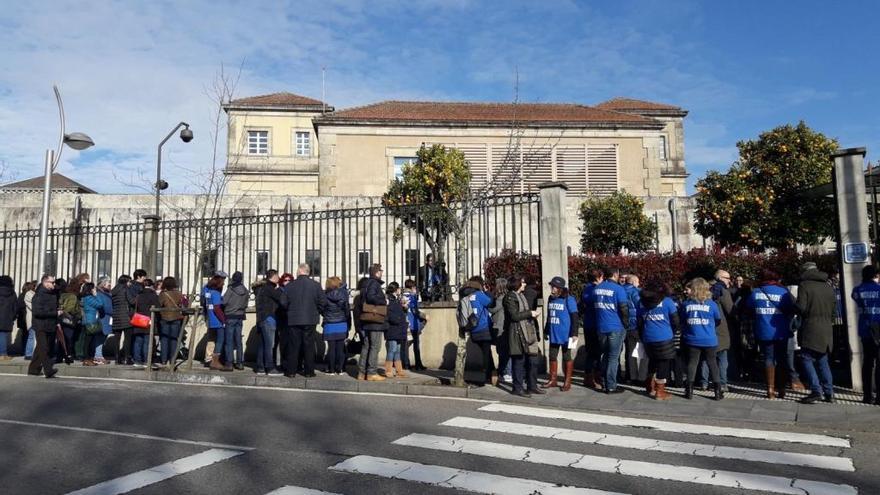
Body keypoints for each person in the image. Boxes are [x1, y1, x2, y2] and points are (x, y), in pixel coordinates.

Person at [747, 269, 797, 399]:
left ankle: (770, 390)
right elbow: (792, 308)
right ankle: (781, 389)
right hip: (781, 331)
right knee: (782, 359)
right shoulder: (783, 292)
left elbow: (748, 309)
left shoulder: (755, 293)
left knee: (768, 358)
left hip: (763, 330)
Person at [796, 263, 836, 404]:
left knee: (806, 358)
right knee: (823, 360)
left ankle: (815, 390)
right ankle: (829, 393)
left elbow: (801, 307)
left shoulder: (804, 285)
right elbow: (834, 309)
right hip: (827, 329)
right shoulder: (828, 286)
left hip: (811, 328)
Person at [281, 263, 327, 378]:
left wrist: (289, 310)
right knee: (309, 345)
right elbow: (323, 302)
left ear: (299, 271)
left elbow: (283, 302)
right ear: (308, 272)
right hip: (310, 319)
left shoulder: (290, 286)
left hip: (294, 319)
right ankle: (309, 371)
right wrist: (317, 311)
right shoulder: (316, 285)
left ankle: (291, 371)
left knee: (293, 345)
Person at [681, 277, 723, 400]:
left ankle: (689, 391)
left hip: (692, 338)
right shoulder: (712, 304)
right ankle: (717, 391)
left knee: (692, 363)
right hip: (709, 338)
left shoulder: (686, 304)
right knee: (712, 363)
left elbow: (683, 320)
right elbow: (718, 320)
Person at [589, 266, 630, 394]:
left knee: (605, 356)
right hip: (615, 327)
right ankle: (611, 385)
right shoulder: (619, 289)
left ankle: (605, 382)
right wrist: (626, 324)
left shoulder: (596, 289)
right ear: (615, 274)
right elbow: (624, 309)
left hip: (601, 327)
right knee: (613, 357)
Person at [638, 280, 679, 400]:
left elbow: (639, 322)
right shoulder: (667, 302)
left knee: (652, 361)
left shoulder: (640, 303)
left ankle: (649, 386)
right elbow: (676, 321)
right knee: (663, 364)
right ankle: (660, 391)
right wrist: (672, 332)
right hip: (664, 337)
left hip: (647, 337)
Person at [504, 275, 542, 397]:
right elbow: (514, 316)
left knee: (532, 360)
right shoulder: (510, 297)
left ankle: (532, 386)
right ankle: (518, 388)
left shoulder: (521, 296)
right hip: (517, 332)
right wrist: (530, 313)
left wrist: (531, 315)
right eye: (523, 282)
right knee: (518, 361)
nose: (524, 284)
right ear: (517, 284)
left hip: (527, 330)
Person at [699, 270, 734, 392]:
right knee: (722, 357)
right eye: (727, 278)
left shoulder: (703, 289)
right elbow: (730, 310)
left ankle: (704, 383)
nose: (729, 280)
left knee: (705, 356)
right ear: (719, 278)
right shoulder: (723, 291)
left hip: (704, 326)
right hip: (720, 327)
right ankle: (722, 383)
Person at [543, 276, 579, 392]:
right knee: (552, 356)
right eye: (551, 286)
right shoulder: (551, 298)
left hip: (566, 334)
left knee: (566, 356)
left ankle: (567, 381)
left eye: (554, 287)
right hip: (554, 332)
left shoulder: (569, 299)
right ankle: (552, 380)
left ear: (560, 288)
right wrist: (546, 330)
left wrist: (574, 334)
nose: (552, 289)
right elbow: (549, 315)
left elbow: (574, 317)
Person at [852, 265, 880, 404]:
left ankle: (867, 396)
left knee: (867, 363)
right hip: (879, 331)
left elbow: (854, 296)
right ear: (875, 275)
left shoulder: (857, 290)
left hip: (865, 330)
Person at [459, 276, 494, 385]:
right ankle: (488, 376)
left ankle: (491, 374)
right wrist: (487, 291)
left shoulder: (465, 296)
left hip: (473, 330)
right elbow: (491, 303)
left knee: (486, 353)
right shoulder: (479, 295)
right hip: (484, 328)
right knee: (486, 354)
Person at [358, 264, 388, 381]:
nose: (382, 272)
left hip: (366, 319)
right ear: (376, 272)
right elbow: (371, 297)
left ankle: (361, 373)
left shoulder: (366, 284)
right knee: (375, 346)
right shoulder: (374, 283)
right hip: (375, 319)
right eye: (381, 270)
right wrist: (383, 300)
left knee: (367, 346)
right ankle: (371, 373)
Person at [28, 275, 59, 378]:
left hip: (50, 324)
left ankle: (33, 369)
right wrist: (55, 313)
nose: (54, 284)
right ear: (45, 283)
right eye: (52, 282)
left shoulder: (53, 294)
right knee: (44, 347)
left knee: (40, 348)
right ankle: (48, 369)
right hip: (40, 325)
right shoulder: (38, 295)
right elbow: (37, 312)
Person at [255, 270, 282, 375]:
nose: (279, 278)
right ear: (273, 276)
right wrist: (280, 289)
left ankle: (260, 367)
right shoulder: (269, 288)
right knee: (269, 344)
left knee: (262, 344)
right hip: (268, 318)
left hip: (261, 318)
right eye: (277, 276)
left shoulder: (261, 288)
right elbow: (279, 297)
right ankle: (269, 367)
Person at [322, 276, 350, 375]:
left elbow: (322, 309)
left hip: (329, 324)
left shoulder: (325, 295)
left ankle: (331, 369)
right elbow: (347, 310)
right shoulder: (343, 295)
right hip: (341, 323)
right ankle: (340, 369)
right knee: (340, 348)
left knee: (331, 348)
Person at [580, 269, 603, 389]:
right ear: (599, 277)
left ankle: (589, 377)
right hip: (596, 324)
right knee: (596, 353)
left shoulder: (585, 289)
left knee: (590, 352)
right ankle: (595, 378)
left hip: (588, 323)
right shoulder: (596, 290)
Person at [223, 271, 249, 370]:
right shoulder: (245, 290)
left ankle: (229, 363)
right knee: (238, 340)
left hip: (230, 316)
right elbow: (246, 304)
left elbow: (224, 301)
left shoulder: (231, 289)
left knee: (229, 341)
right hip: (240, 316)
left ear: (233, 279)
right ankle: (240, 362)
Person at [158, 277, 186, 368]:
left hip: (164, 318)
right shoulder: (178, 293)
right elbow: (183, 304)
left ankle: (163, 360)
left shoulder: (163, 294)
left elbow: (159, 305)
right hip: (176, 318)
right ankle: (172, 359)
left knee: (164, 339)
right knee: (174, 339)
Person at [622, 274, 645, 385]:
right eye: (638, 282)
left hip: (621, 325)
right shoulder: (635, 292)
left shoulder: (620, 290)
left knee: (627, 351)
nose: (639, 284)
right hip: (634, 325)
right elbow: (640, 306)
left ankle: (628, 375)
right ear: (633, 282)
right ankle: (634, 377)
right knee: (635, 351)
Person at [132, 279, 159, 368]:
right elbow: (157, 307)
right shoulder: (153, 295)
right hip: (149, 320)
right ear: (151, 286)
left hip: (139, 319)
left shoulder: (139, 295)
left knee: (138, 341)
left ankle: (137, 360)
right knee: (147, 341)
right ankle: (147, 361)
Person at [384, 281, 408, 378]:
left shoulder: (397, 299)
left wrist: (405, 307)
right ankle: (388, 370)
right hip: (392, 328)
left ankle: (399, 370)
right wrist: (397, 319)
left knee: (398, 350)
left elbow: (401, 312)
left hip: (399, 328)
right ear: (395, 289)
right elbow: (389, 314)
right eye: (399, 289)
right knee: (392, 349)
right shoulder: (388, 300)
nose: (400, 290)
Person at [488, 277, 510, 383]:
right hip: (503, 327)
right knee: (503, 351)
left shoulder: (501, 298)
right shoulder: (508, 296)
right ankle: (504, 372)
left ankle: (506, 372)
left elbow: (492, 308)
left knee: (502, 352)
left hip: (500, 327)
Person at [402, 279, 427, 371]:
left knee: (406, 344)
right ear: (412, 287)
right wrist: (424, 316)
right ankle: (418, 364)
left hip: (407, 322)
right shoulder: (411, 297)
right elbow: (414, 310)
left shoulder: (403, 296)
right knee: (415, 344)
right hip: (413, 322)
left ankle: (406, 363)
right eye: (415, 287)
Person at [111, 274, 134, 365]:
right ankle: (127, 358)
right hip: (126, 316)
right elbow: (131, 301)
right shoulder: (125, 289)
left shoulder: (113, 290)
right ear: (125, 282)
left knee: (117, 339)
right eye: (129, 281)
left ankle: (117, 358)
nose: (130, 284)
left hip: (116, 317)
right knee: (128, 339)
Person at [80, 282, 104, 366]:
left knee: (90, 340)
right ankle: (86, 358)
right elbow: (100, 304)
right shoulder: (89, 298)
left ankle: (89, 358)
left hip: (90, 320)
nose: (95, 289)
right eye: (93, 288)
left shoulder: (86, 298)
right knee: (88, 341)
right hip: (90, 321)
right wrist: (96, 295)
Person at [93, 277, 114, 365]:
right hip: (103, 317)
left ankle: (99, 355)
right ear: (103, 284)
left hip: (107, 317)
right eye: (108, 283)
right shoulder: (100, 294)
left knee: (103, 337)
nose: (109, 285)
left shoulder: (107, 293)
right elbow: (103, 306)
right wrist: (112, 311)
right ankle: (98, 356)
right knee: (100, 337)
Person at [0, 276, 16, 360]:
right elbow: (15, 307)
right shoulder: (12, 293)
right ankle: (3, 354)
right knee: (2, 334)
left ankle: (2, 354)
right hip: (6, 318)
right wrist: (12, 317)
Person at [21, 281, 37, 360]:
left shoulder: (35, 294)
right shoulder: (29, 294)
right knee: (31, 336)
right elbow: (33, 307)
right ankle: (28, 353)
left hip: (36, 319)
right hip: (32, 319)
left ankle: (31, 353)